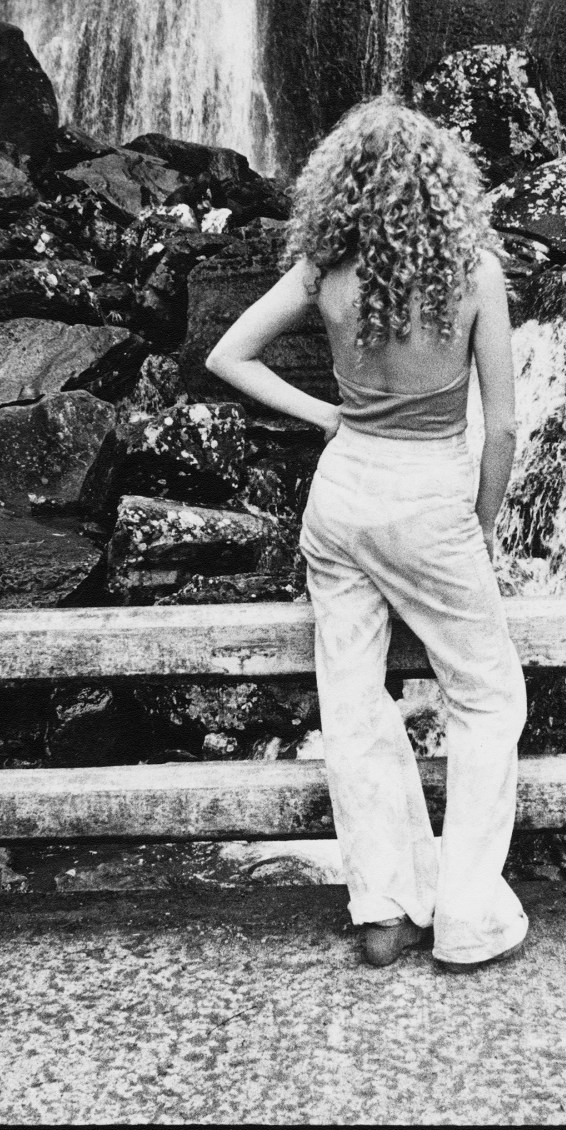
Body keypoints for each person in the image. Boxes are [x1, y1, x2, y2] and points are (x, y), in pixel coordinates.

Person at [205, 97, 529, 972]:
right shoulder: (477, 273)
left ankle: (382, 906)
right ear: (443, 187)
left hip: (341, 494)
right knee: (489, 697)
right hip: (428, 497)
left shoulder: (325, 269)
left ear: (342, 187)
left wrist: (328, 416)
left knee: (352, 702)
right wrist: (481, 530)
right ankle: (465, 911)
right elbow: (500, 430)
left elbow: (227, 354)